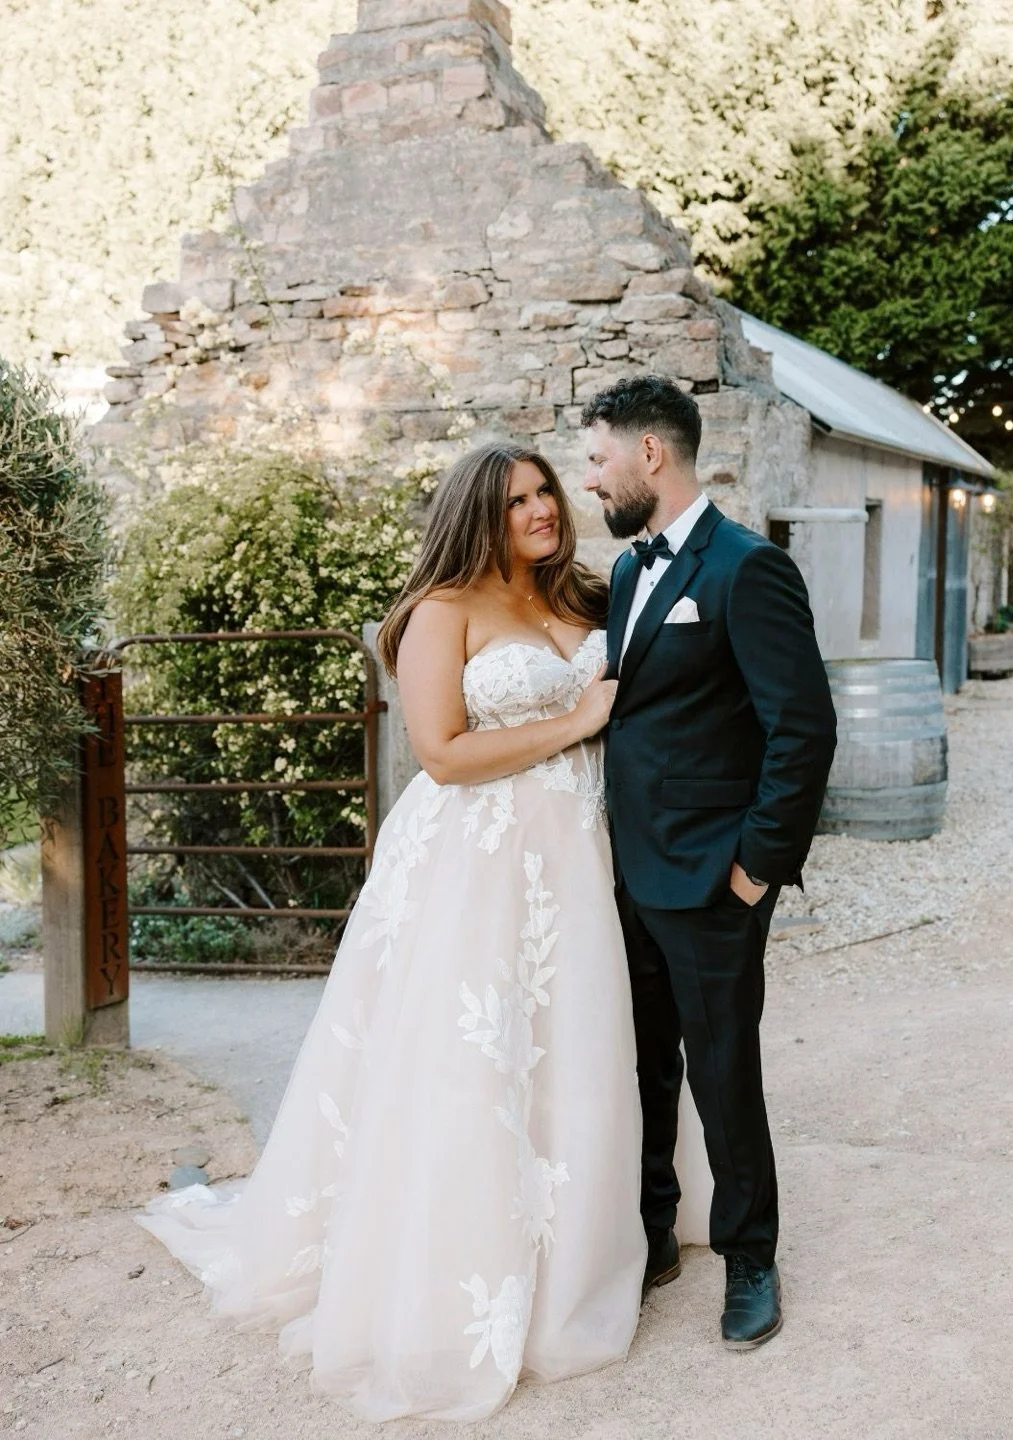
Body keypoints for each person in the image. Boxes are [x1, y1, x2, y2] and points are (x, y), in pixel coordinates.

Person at [138, 444, 650, 1423]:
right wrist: (579, 721)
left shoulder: (582, 597)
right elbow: (444, 755)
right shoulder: (439, 614)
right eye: (516, 502)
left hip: (571, 869)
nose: (541, 510)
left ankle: (570, 1262)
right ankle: (453, 1282)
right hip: (475, 868)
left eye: (546, 492)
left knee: (570, 1058)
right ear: (475, 516)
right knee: (467, 1066)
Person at [582, 375, 837, 1350]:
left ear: (653, 454)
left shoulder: (747, 568)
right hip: (626, 875)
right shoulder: (630, 573)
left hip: (712, 881)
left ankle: (751, 1259)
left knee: (724, 1074)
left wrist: (755, 871)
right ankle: (653, 1238)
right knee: (641, 1067)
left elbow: (802, 728)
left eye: (600, 460)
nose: (591, 481)